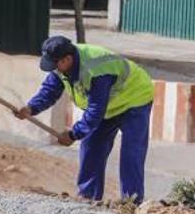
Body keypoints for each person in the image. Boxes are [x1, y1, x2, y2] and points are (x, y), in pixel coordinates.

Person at [16, 35, 154, 204]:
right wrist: (31, 108)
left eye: (56, 65)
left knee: (131, 152)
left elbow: (95, 111)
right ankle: (88, 197)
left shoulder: (96, 69)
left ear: (67, 59)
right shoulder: (61, 68)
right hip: (109, 106)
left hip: (134, 99)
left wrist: (74, 134)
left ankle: (132, 202)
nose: (55, 70)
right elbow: (50, 91)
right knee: (91, 146)